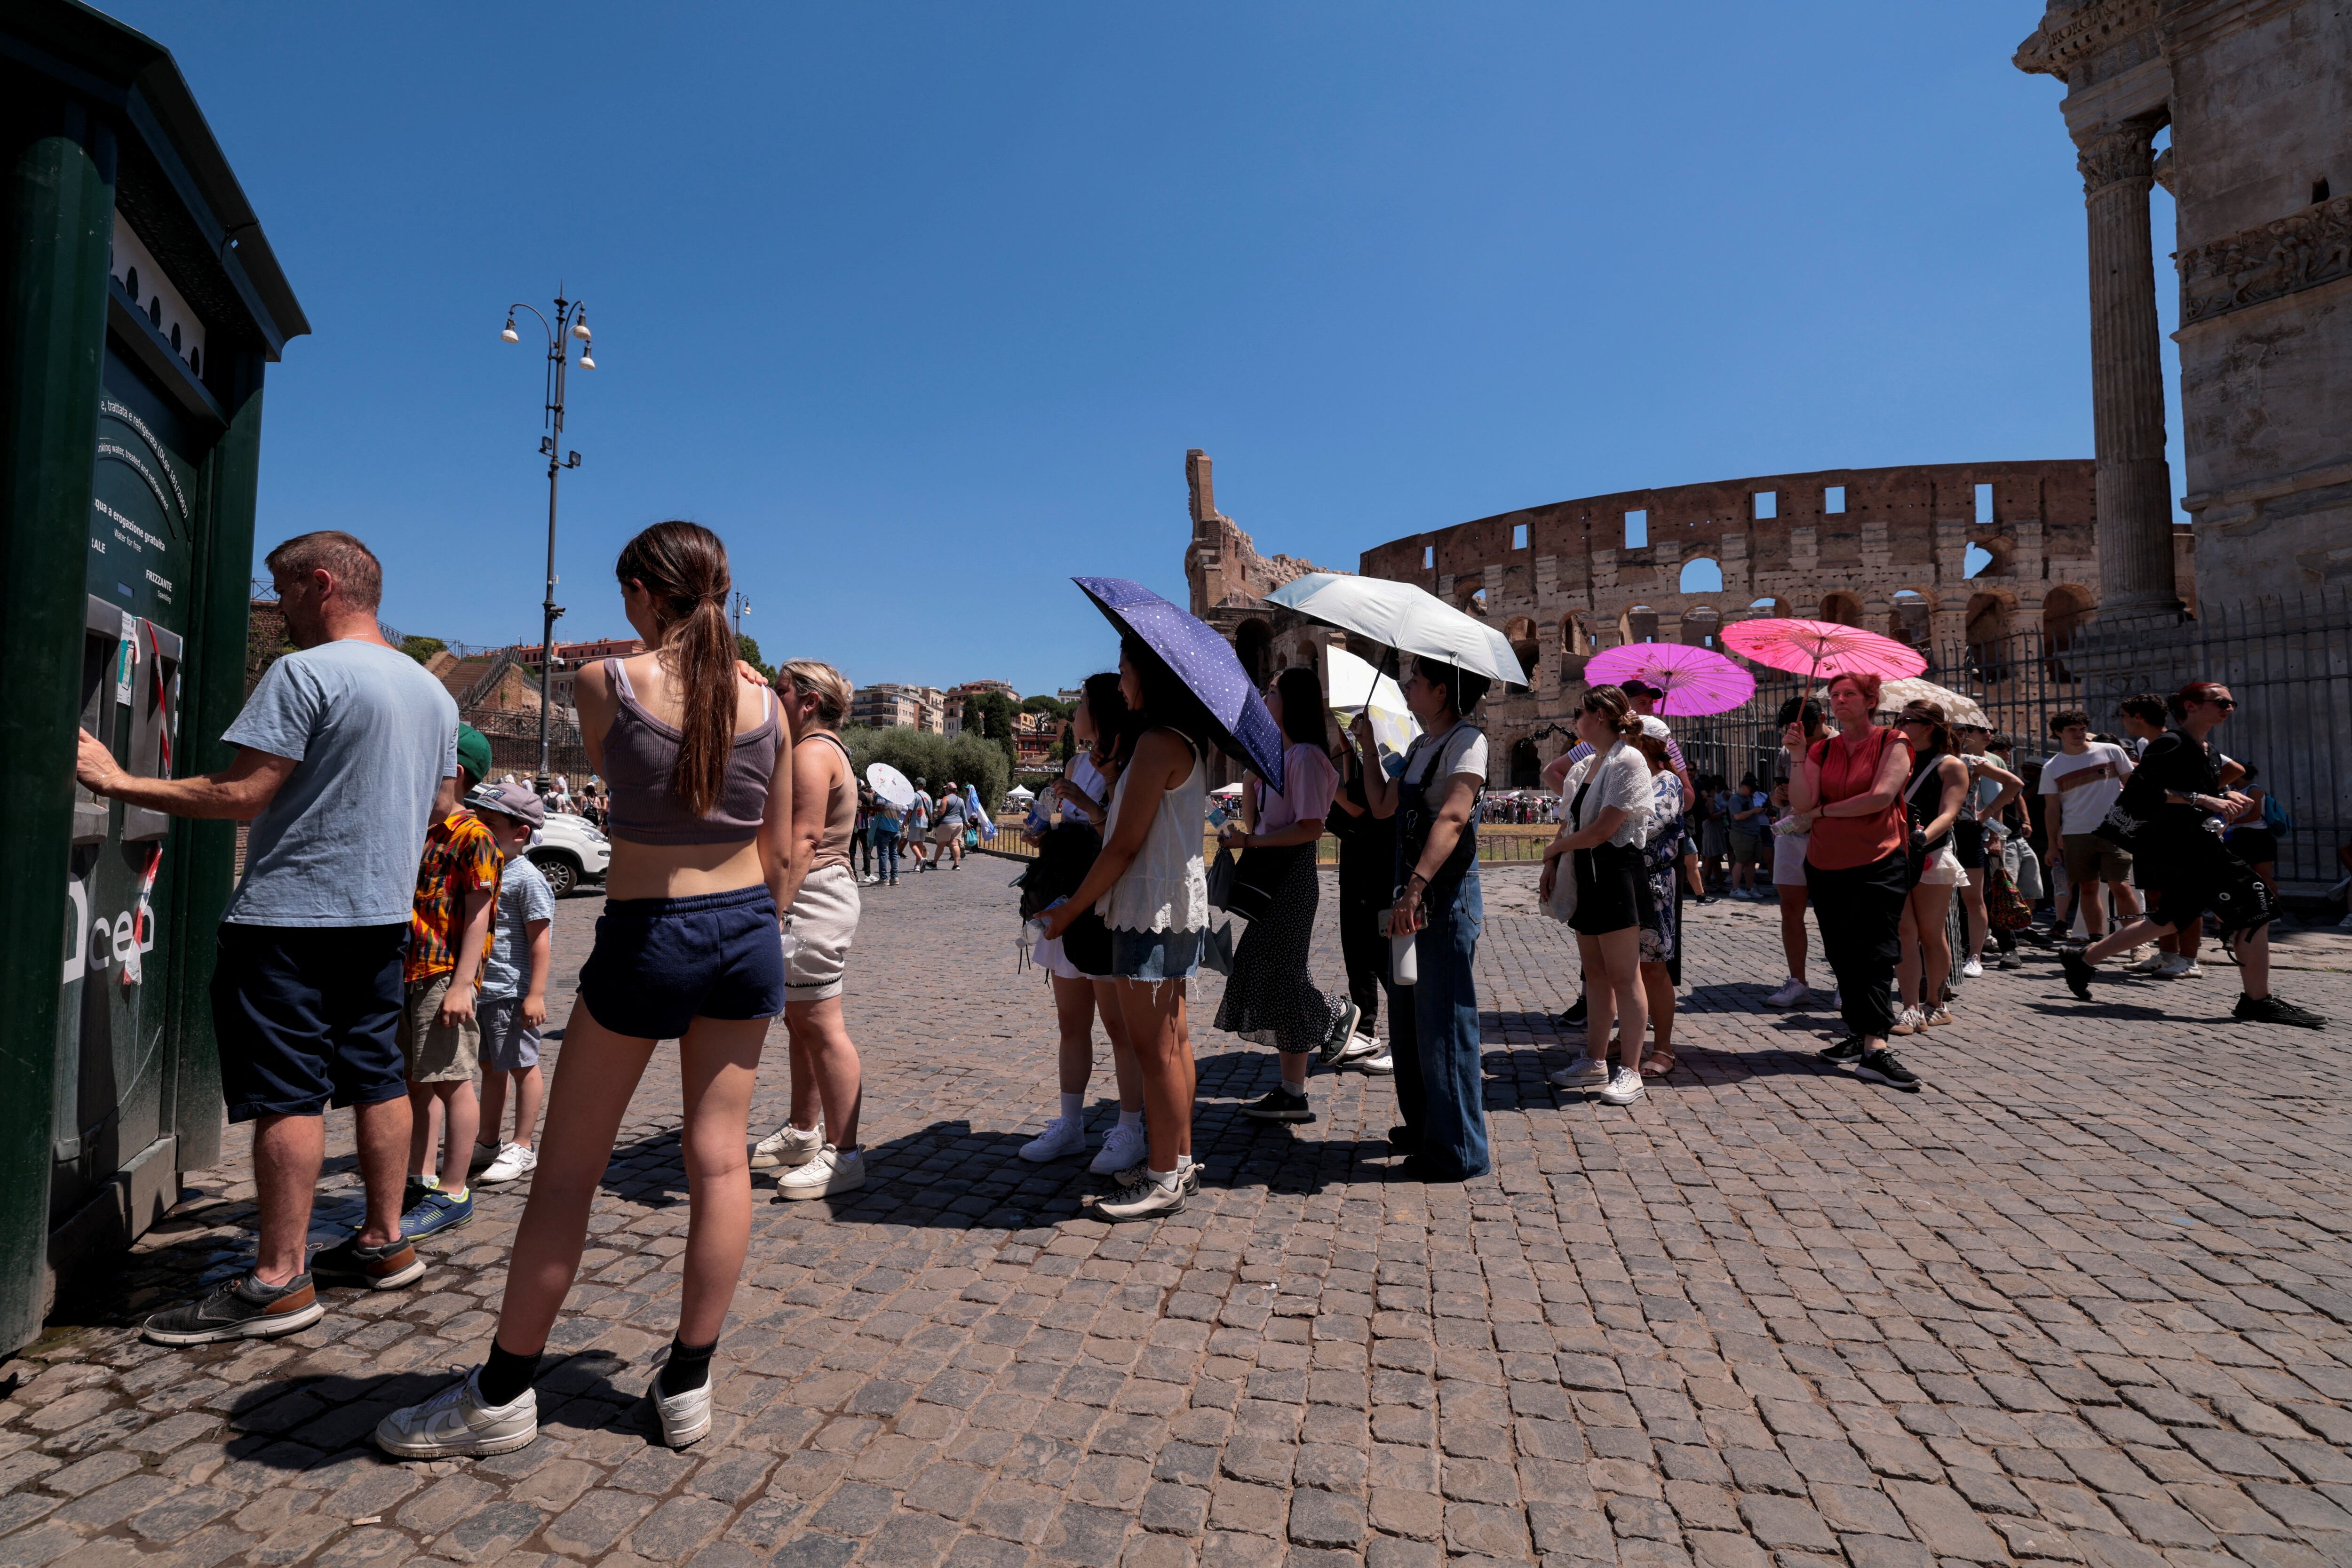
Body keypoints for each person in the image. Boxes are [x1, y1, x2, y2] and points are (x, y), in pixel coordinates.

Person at [376, 520, 791, 1457]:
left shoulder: (608, 684)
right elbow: (772, 832)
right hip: (746, 934)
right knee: (720, 1162)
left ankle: (504, 1389)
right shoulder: (769, 701)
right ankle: (689, 1382)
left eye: (626, 593)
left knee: (566, 1172)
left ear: (648, 590)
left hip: (655, 933)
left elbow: (626, 780)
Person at [72, 533, 455, 1342]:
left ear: (323, 584)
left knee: (289, 1092)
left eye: (283, 592)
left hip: (290, 918)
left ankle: (279, 1279)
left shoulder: (305, 673)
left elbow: (241, 793)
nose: (277, 610)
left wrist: (117, 780)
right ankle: (386, 1244)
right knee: (379, 1078)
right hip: (380, 915)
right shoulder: (432, 692)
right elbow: (435, 804)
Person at [1039, 641, 1214, 1218]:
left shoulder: (1157, 744)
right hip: (1172, 907)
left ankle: (1164, 1175)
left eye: (1125, 670)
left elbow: (1121, 845)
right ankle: (1176, 1160)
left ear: (1149, 678)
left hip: (1148, 908)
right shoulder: (1176, 742)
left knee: (1155, 1049)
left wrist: (1068, 911)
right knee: (1174, 1043)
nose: (1119, 682)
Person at [2061, 682, 2323, 1029]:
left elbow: (2194, 791)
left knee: (2169, 918)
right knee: (2256, 907)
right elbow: (2143, 793)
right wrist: (2205, 799)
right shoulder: (2171, 743)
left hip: (2192, 844)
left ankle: (2082, 959)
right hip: (2183, 847)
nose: (2229, 707)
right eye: (2221, 702)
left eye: (2232, 703)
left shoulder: (2207, 750)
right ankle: (2257, 1000)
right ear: (2192, 706)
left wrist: (2226, 797)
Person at [1356, 657, 1493, 1179]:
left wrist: (1415, 887)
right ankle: (1426, 1127)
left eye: (1414, 679)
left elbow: (1455, 817)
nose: (1405, 685)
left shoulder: (1467, 742)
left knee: (1444, 1022)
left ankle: (1458, 1150)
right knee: (1409, 1022)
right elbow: (1383, 804)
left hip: (1442, 897)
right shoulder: (1418, 746)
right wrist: (1366, 747)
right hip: (1409, 896)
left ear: (1440, 691)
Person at [1019, 671, 1150, 1173]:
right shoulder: (1076, 760)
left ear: (1098, 712)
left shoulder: (1127, 762)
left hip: (1104, 906)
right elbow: (1058, 827)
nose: (1071, 714)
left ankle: (1129, 1128)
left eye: (1079, 706)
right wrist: (1044, 832)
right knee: (1070, 1024)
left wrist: (1086, 803)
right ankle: (1070, 1125)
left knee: (1119, 1027)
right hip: (1065, 902)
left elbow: (1122, 837)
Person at [1220, 667, 1363, 1122]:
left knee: (1276, 974)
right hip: (1272, 871)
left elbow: (1309, 829)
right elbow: (1257, 823)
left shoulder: (1303, 756)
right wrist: (1250, 780)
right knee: (1272, 975)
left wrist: (1250, 844)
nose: (1265, 695)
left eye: (1273, 691)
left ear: (1294, 701)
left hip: (1291, 873)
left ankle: (1338, 1012)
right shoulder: (1279, 758)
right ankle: (1292, 1093)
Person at [752, 661, 869, 1199]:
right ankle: (804, 1132)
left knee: (821, 1025)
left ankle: (845, 1154)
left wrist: (773, 909)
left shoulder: (812, 753)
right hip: (817, 891)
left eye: (780, 692)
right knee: (801, 1022)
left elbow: (802, 839)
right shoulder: (821, 750)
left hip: (811, 895)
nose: (774, 700)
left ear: (809, 701)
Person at [395, 729, 507, 1240]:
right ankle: (419, 1179)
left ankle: (453, 1189)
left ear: (455, 772)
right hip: (406, 971)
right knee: (417, 1083)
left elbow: (479, 916)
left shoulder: (473, 836)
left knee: (451, 1079)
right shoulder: (420, 826)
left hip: (442, 975)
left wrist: (464, 984)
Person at [1789, 671, 1920, 1091]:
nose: (1841, 700)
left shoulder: (1893, 741)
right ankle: (1860, 1032)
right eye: (1836, 695)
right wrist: (1796, 754)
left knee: (1877, 951)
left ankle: (1875, 1047)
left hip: (1877, 860)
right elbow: (1802, 802)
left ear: (1871, 700)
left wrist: (1824, 814)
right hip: (1826, 863)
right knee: (1842, 951)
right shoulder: (1821, 750)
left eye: (1850, 694)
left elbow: (1880, 797)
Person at [1542, 687, 1652, 1105]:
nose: (1574, 719)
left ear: (1600, 717)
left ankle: (1632, 1069)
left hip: (1617, 874)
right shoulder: (1586, 765)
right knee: (1595, 976)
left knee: (1625, 976)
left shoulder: (1628, 760)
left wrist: (1557, 851)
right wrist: (1552, 863)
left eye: (1580, 712)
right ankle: (1594, 1060)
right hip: (1585, 875)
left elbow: (1606, 828)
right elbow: (1570, 822)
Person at [463, 783, 554, 1187]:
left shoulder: (527, 878)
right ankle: (487, 1139)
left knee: (521, 1066)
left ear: (520, 833)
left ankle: (523, 1144)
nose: (479, 828)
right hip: (484, 989)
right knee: (490, 1067)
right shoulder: (486, 869)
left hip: (511, 992)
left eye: (489, 822)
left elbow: (540, 940)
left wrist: (535, 993)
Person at [1888, 701, 1969, 1036]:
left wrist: (1923, 836)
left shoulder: (1950, 765)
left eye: (1907, 720)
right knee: (1905, 931)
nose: (1900, 724)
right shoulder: (1897, 758)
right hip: (1896, 853)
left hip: (1931, 853)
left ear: (1929, 726)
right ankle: (1910, 1008)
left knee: (1930, 933)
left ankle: (1937, 1004)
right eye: (1898, 719)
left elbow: (1950, 813)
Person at [1326, 712, 1399, 1076]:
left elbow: (1361, 807)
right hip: (1355, 871)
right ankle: (1366, 1030)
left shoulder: (1391, 760)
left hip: (1377, 873)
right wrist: (1347, 751)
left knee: (1383, 958)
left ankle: (1405, 1040)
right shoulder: (1365, 759)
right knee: (1357, 954)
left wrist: (1324, 780)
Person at [2040, 710, 2142, 945]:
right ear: (2058, 733)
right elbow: (2052, 810)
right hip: (2075, 834)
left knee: (2122, 887)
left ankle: (2138, 943)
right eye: (2071, 730)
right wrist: (2051, 846)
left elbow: (2134, 789)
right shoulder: (2052, 767)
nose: (2079, 734)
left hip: (2114, 831)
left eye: (2082, 728)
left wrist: (2136, 823)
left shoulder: (2111, 751)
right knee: (2088, 888)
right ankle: (2096, 940)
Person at [1764, 697, 1829, 1010]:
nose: (1803, 737)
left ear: (1823, 719)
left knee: (1834, 913)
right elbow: (1777, 799)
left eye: (1808, 730)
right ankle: (1797, 981)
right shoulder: (1786, 749)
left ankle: (1846, 981)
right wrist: (1779, 795)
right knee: (1791, 911)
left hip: (1830, 835)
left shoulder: (1841, 747)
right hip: (1792, 836)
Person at [1632, 733, 1685, 1077]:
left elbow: (1651, 824)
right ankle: (1629, 1036)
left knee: (1653, 968)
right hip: (1621, 882)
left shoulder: (1666, 781)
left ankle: (1663, 1047)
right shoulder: (1621, 779)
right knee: (1625, 971)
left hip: (1653, 884)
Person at [1952, 724, 2023, 979]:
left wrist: (1988, 818)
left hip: (1969, 830)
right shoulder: (1926, 758)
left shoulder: (1973, 760)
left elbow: (2014, 786)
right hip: (1939, 831)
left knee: (1976, 897)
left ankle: (1977, 954)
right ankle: (1951, 950)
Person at [1726, 774, 1767, 898]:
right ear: (1744, 786)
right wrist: (1754, 811)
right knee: (1741, 862)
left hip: (1753, 834)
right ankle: (1735, 889)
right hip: (1742, 834)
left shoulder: (1748, 798)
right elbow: (1738, 816)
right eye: (1751, 790)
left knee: (1751, 863)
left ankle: (1750, 888)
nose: (1752, 793)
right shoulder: (1735, 799)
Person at [933, 779, 967, 868]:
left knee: (941, 845)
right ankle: (956, 865)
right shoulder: (961, 800)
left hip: (947, 824)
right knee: (955, 844)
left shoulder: (946, 799)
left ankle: (934, 864)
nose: (945, 791)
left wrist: (936, 811)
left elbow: (941, 812)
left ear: (948, 790)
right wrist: (966, 823)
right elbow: (964, 814)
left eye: (946, 789)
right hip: (959, 824)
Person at [871, 793, 903, 886]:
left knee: (883, 854)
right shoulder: (899, 799)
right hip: (896, 830)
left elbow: (880, 808)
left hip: (885, 829)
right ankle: (895, 878)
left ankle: (884, 878)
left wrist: (867, 808)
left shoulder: (884, 795)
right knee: (894, 854)